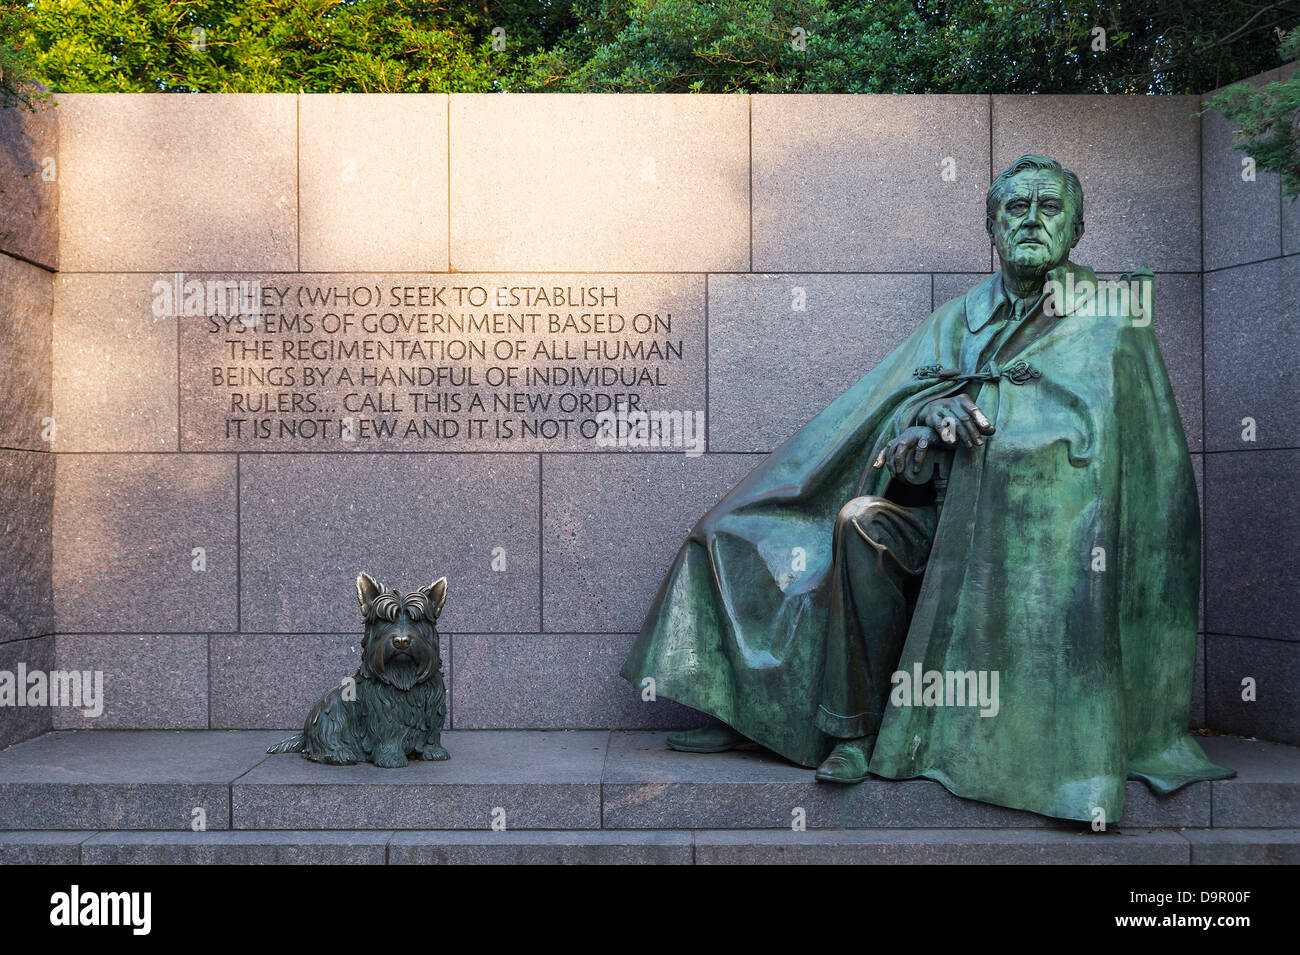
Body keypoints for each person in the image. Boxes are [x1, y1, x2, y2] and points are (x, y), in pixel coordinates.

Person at [620, 154, 1233, 823]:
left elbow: (1129, 462)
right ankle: (836, 725)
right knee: (836, 522)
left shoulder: (1111, 320)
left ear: (1077, 226)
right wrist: (922, 420)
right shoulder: (958, 318)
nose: (1030, 220)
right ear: (992, 227)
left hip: (1038, 541)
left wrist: (990, 438)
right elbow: (889, 411)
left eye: (1047, 207)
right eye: (1014, 208)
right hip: (936, 521)